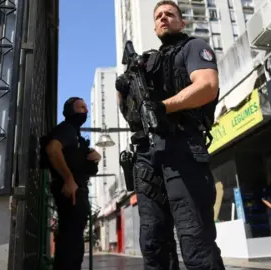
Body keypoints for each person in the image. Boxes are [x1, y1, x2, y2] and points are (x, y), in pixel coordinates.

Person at [116, 1, 225, 269]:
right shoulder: (145, 63)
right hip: (146, 158)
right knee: (153, 244)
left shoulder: (193, 47)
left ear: (181, 22)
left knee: (195, 242)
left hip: (182, 148)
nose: (164, 18)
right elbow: (132, 116)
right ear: (154, 26)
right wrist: (124, 89)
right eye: (159, 16)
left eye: (170, 14)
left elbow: (208, 87)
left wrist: (164, 106)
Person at [42, 97, 102, 270]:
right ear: (70, 111)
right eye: (81, 107)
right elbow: (52, 149)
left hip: (77, 190)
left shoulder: (74, 134)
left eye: (86, 107)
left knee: (74, 244)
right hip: (72, 192)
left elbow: (76, 160)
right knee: (70, 246)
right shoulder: (66, 129)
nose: (86, 111)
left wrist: (94, 157)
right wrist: (69, 179)